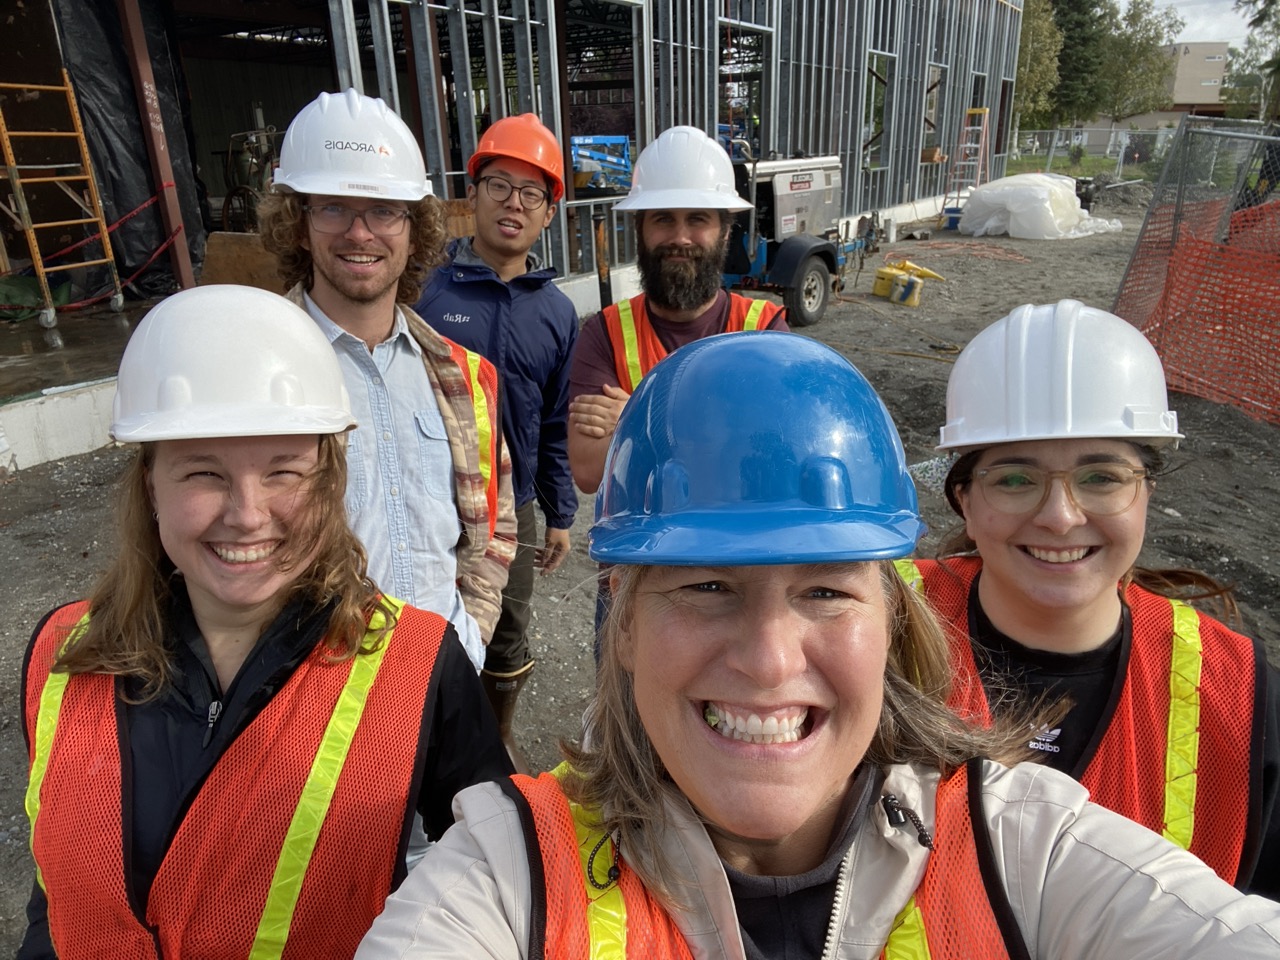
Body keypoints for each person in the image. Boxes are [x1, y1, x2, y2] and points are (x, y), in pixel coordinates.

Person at [356, 331, 1280, 959]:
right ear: (623, 622)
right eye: (708, 587)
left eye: (827, 592)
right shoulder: (507, 868)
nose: (768, 659)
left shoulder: (1026, 848)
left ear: (892, 619)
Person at [18, 285, 512, 959]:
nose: (247, 515)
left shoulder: (419, 667)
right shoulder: (60, 655)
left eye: (284, 472)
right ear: (150, 486)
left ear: (330, 480)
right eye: (203, 473)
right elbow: (60, 893)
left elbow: (499, 882)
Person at [896, 299, 1280, 899]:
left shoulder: (1241, 699)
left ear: (1147, 492)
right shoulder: (876, 624)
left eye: (1101, 477)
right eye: (1015, 479)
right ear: (965, 501)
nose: (1060, 517)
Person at [258, 89, 516, 674]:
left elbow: (496, 527)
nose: (360, 233)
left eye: (384, 210)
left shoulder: (464, 377)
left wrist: (468, 640)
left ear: (413, 226)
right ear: (298, 224)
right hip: (311, 695)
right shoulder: (254, 371)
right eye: (332, 208)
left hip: (441, 678)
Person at [415, 113, 578, 773]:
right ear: (473, 195)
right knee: (422, 620)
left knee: (507, 627)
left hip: (515, 506)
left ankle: (494, 737)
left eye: (532, 193)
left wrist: (560, 510)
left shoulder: (557, 313)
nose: (514, 202)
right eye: (500, 185)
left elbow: (557, 420)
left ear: (547, 214)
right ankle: (416, 737)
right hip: (432, 491)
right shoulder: (426, 293)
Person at [567, 124, 789, 496]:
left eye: (698, 218)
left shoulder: (765, 330)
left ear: (725, 231)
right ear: (641, 229)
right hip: (641, 550)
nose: (680, 238)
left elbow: (779, 456)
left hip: (738, 545)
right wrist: (727, 427)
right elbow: (589, 470)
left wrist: (635, 421)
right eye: (663, 218)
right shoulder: (604, 333)